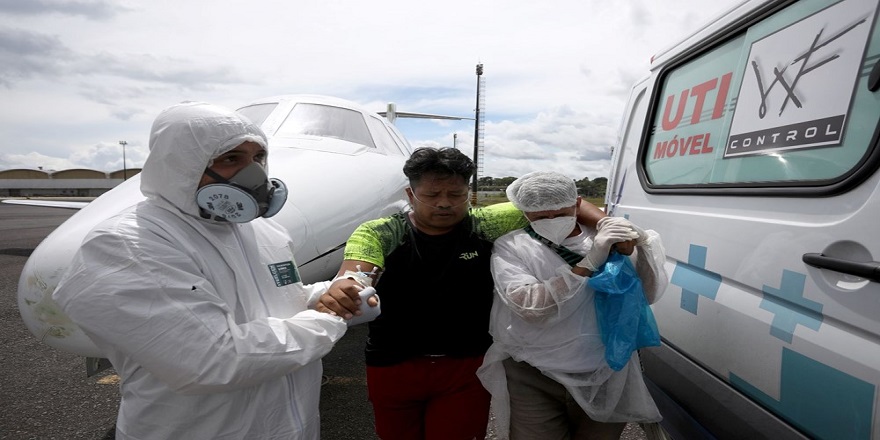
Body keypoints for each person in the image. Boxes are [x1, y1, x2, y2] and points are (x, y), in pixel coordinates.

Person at [52, 102, 348, 440]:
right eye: (231, 158)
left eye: (257, 158)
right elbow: (213, 361)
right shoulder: (126, 245)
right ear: (181, 165)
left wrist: (327, 294)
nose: (254, 174)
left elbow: (280, 297)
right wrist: (330, 320)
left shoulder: (265, 232)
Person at [315, 147, 607, 440]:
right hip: (393, 363)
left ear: (469, 192)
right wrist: (349, 284)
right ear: (410, 194)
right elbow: (357, 271)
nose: (444, 204)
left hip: (466, 365)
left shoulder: (484, 223)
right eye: (431, 195)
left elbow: (563, 204)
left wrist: (609, 225)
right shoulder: (381, 232)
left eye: (456, 195)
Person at [477, 170, 669, 440]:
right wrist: (588, 263)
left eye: (560, 212)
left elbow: (645, 295)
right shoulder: (512, 247)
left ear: (578, 204)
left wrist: (643, 246)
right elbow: (530, 307)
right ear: (524, 213)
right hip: (534, 371)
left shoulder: (611, 238)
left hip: (603, 370)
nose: (552, 220)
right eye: (541, 216)